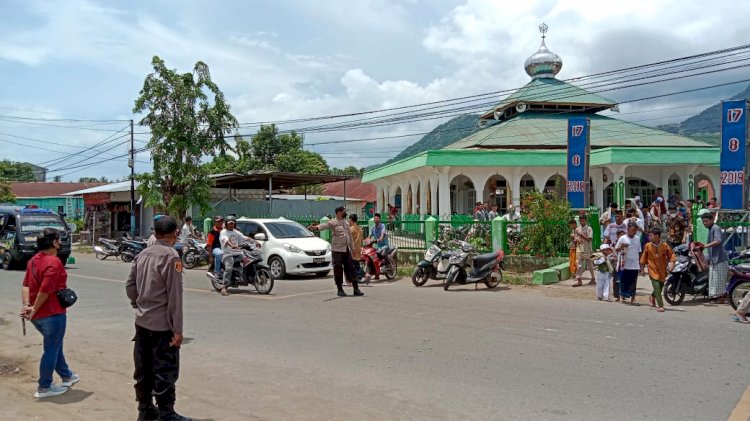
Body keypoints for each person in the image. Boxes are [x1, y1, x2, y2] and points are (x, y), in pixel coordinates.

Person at [125, 216, 190, 421]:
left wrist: (138, 303)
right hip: (163, 326)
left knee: (143, 368)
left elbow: (130, 286)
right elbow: (175, 298)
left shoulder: (142, 254)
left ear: (155, 233)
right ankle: (166, 413)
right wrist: (178, 330)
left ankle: (145, 410)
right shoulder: (172, 257)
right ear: (175, 234)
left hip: (142, 321)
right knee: (165, 370)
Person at [20, 228, 79, 398]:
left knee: (55, 345)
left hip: (38, 315)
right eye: (58, 240)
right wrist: (33, 308)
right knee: (52, 348)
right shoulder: (54, 262)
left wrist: (27, 306)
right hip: (51, 313)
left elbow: (26, 285)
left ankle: (67, 375)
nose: (60, 243)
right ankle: (44, 386)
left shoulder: (33, 261)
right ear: (53, 242)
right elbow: (45, 291)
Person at [309, 206, 362, 297]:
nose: (344, 213)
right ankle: (340, 289)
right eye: (343, 211)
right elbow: (324, 226)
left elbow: (349, 238)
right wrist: (315, 227)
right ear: (338, 212)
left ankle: (356, 289)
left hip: (346, 250)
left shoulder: (346, 223)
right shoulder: (333, 222)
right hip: (337, 250)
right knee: (338, 269)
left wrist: (352, 249)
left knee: (351, 268)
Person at [640, 227, 676, 313]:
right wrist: (642, 269)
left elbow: (671, 255)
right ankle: (660, 305)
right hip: (652, 269)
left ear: (657, 236)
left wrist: (672, 263)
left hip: (662, 270)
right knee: (656, 286)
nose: (649, 237)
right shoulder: (647, 246)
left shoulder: (664, 245)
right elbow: (643, 258)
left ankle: (652, 297)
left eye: (651, 235)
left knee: (659, 287)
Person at [219, 215, 252, 296]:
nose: (231, 225)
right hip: (227, 253)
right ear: (226, 224)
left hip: (237, 252)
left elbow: (243, 237)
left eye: (233, 223)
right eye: (229, 223)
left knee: (248, 260)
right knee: (229, 268)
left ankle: (246, 278)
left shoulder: (235, 231)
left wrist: (254, 241)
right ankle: (224, 286)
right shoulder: (223, 232)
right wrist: (232, 245)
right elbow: (225, 240)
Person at [699, 212, 728, 303]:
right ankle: (716, 297)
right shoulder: (711, 229)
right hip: (714, 258)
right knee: (714, 279)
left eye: (706, 221)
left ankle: (721, 298)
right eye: (703, 222)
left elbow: (718, 241)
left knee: (719, 280)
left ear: (711, 220)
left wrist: (706, 245)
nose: (705, 223)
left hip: (720, 258)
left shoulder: (716, 228)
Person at [616, 222, 642, 305]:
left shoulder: (637, 238)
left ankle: (633, 298)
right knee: (623, 281)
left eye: (635, 231)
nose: (634, 232)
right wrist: (622, 247)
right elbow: (616, 249)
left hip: (634, 264)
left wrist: (641, 264)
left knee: (633, 282)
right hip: (625, 264)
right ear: (628, 230)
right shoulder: (622, 238)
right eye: (632, 230)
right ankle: (622, 297)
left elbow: (639, 251)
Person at [572, 214, 595, 287]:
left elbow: (590, 239)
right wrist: (575, 240)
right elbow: (575, 238)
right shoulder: (577, 229)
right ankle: (579, 280)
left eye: (583, 220)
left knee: (590, 265)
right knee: (579, 265)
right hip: (579, 249)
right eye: (580, 220)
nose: (582, 221)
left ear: (585, 220)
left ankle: (593, 278)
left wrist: (582, 235)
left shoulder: (589, 229)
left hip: (587, 249)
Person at [348, 214, 364, 283]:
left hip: (352, 249)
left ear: (351, 220)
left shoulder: (351, 229)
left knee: (353, 264)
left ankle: (355, 277)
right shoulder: (360, 229)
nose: (348, 221)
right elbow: (362, 240)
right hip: (358, 248)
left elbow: (348, 239)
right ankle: (359, 276)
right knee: (356, 263)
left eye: (349, 220)